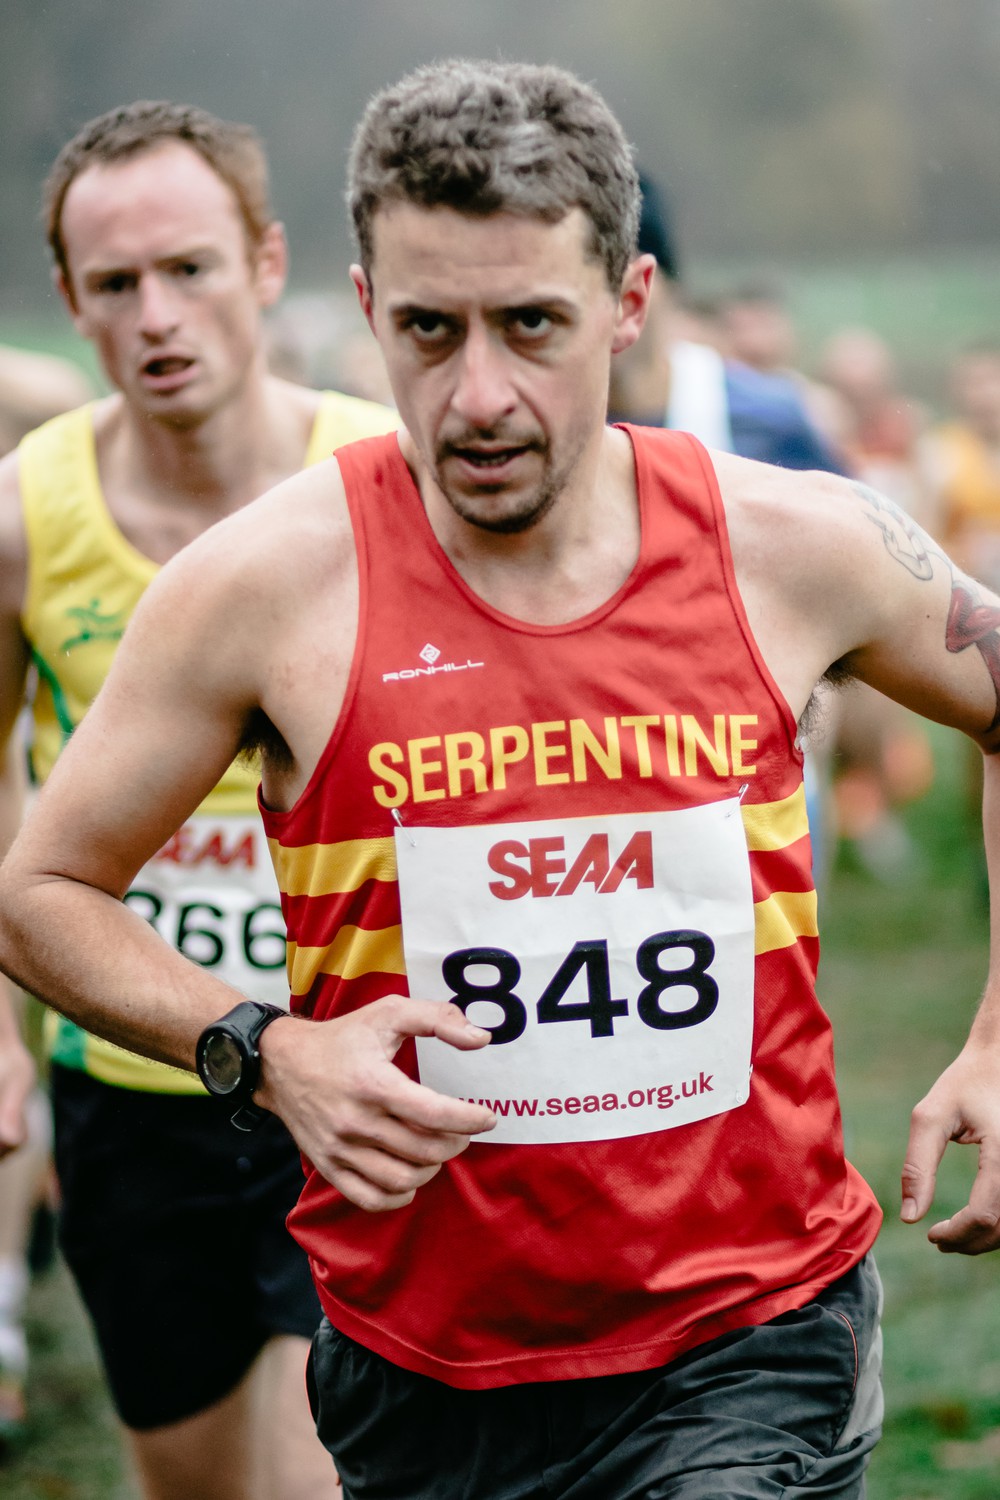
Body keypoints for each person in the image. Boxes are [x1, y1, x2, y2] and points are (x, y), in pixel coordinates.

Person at [0, 59, 999, 1499]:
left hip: (751, 1340)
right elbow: (41, 887)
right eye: (428, 329)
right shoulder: (263, 588)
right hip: (419, 1366)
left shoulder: (796, 546)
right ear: (361, 312)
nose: (478, 396)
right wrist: (261, 1051)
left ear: (631, 305)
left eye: (533, 326)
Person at [0, 100, 395, 1499]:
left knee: (315, 1476)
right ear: (70, 301)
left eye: (191, 269)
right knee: (188, 1481)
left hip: (353, 1077)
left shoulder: (385, 476)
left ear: (267, 263)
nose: (158, 316)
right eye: (116, 285)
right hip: (132, 1083)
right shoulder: (23, 518)